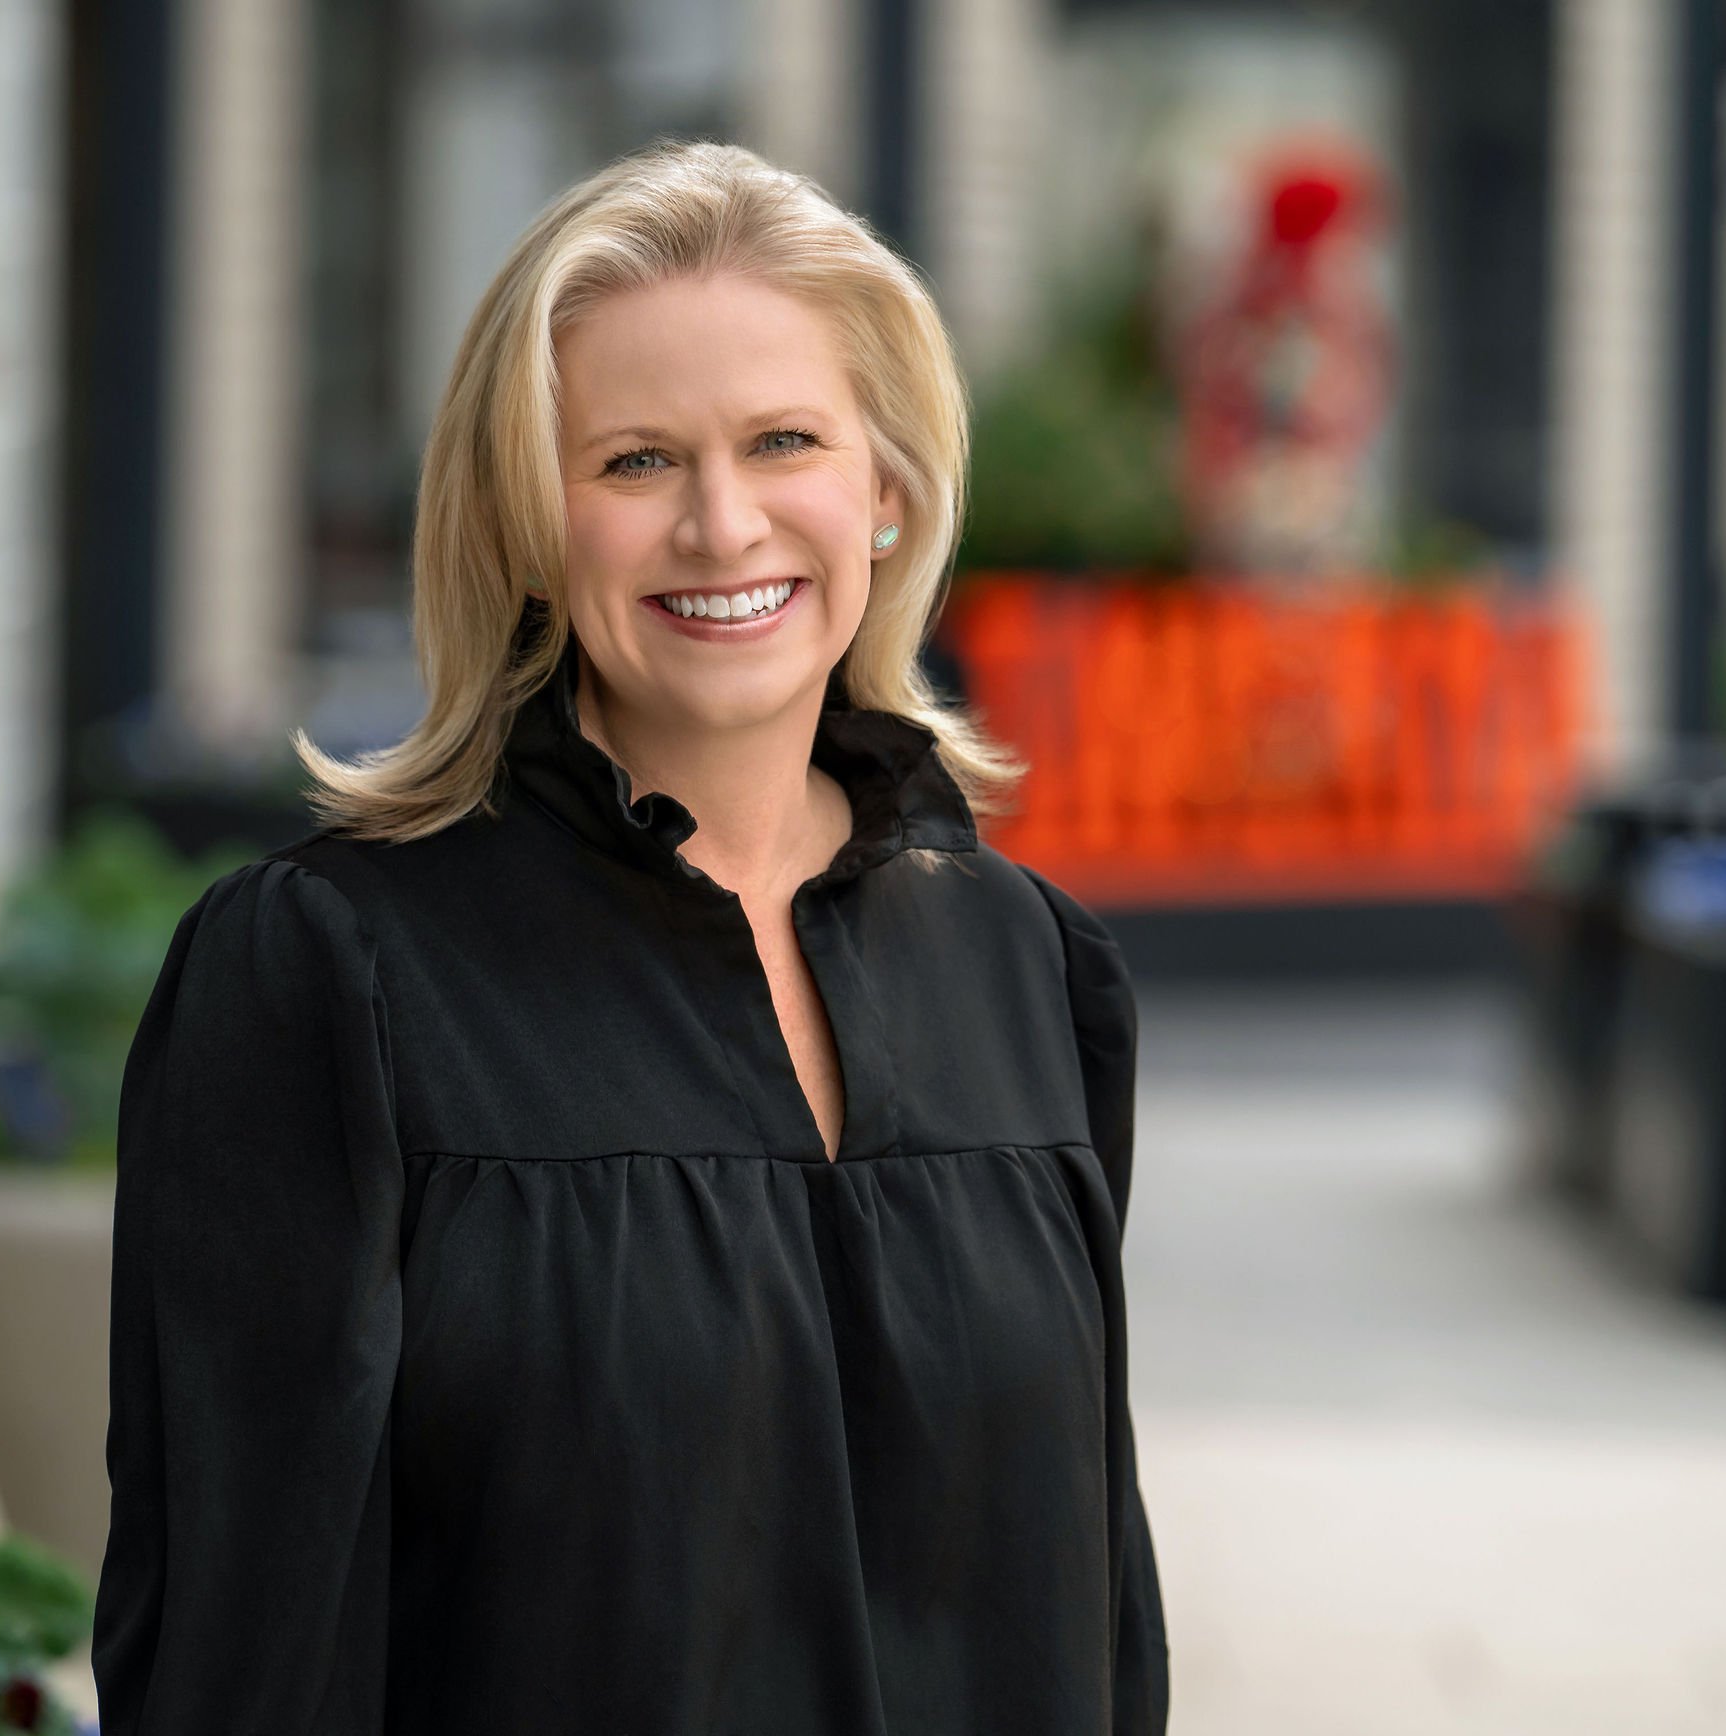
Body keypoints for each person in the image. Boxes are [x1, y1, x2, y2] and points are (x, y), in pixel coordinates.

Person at [92, 137, 1170, 1734]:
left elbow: (1091, 1613)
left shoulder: (1032, 973)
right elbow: (246, 1651)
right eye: (635, 462)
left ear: (884, 492)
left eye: (784, 440)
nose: (723, 525)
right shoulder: (334, 981)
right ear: (529, 523)